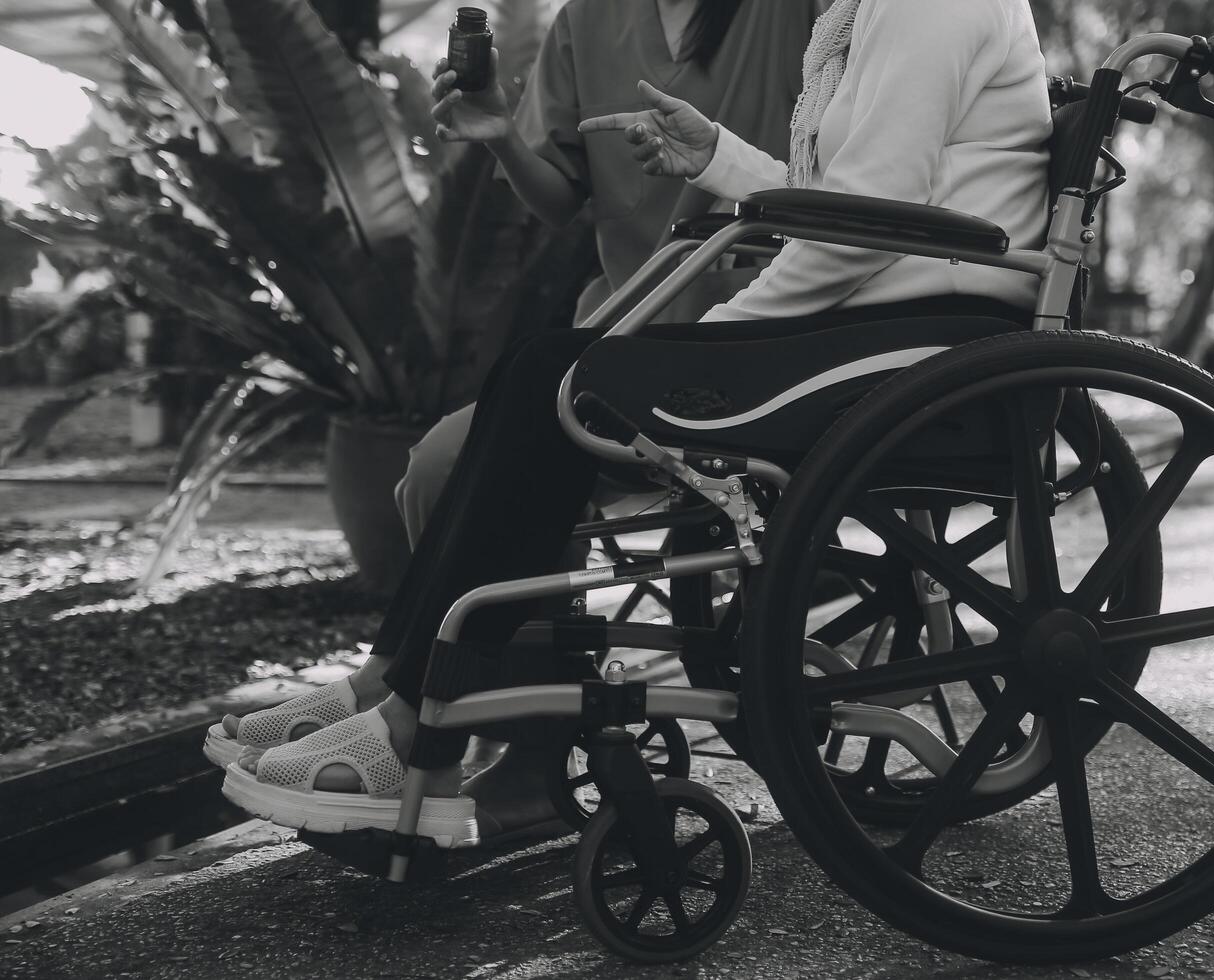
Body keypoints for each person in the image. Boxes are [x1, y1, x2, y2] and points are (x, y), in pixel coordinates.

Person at [220, 0, 1055, 849]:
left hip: (918, 333)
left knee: (564, 374)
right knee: (543, 368)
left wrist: (707, 342)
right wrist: (721, 159)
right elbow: (849, 205)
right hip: (895, 313)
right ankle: (393, 695)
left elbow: (866, 225)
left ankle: (411, 729)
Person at [207, 0, 814, 791]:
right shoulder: (590, 21)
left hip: (753, 344)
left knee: (530, 438)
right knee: (439, 464)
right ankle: (458, 722)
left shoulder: (801, 14)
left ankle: (475, 750)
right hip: (618, 333)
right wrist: (499, 135)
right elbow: (562, 196)